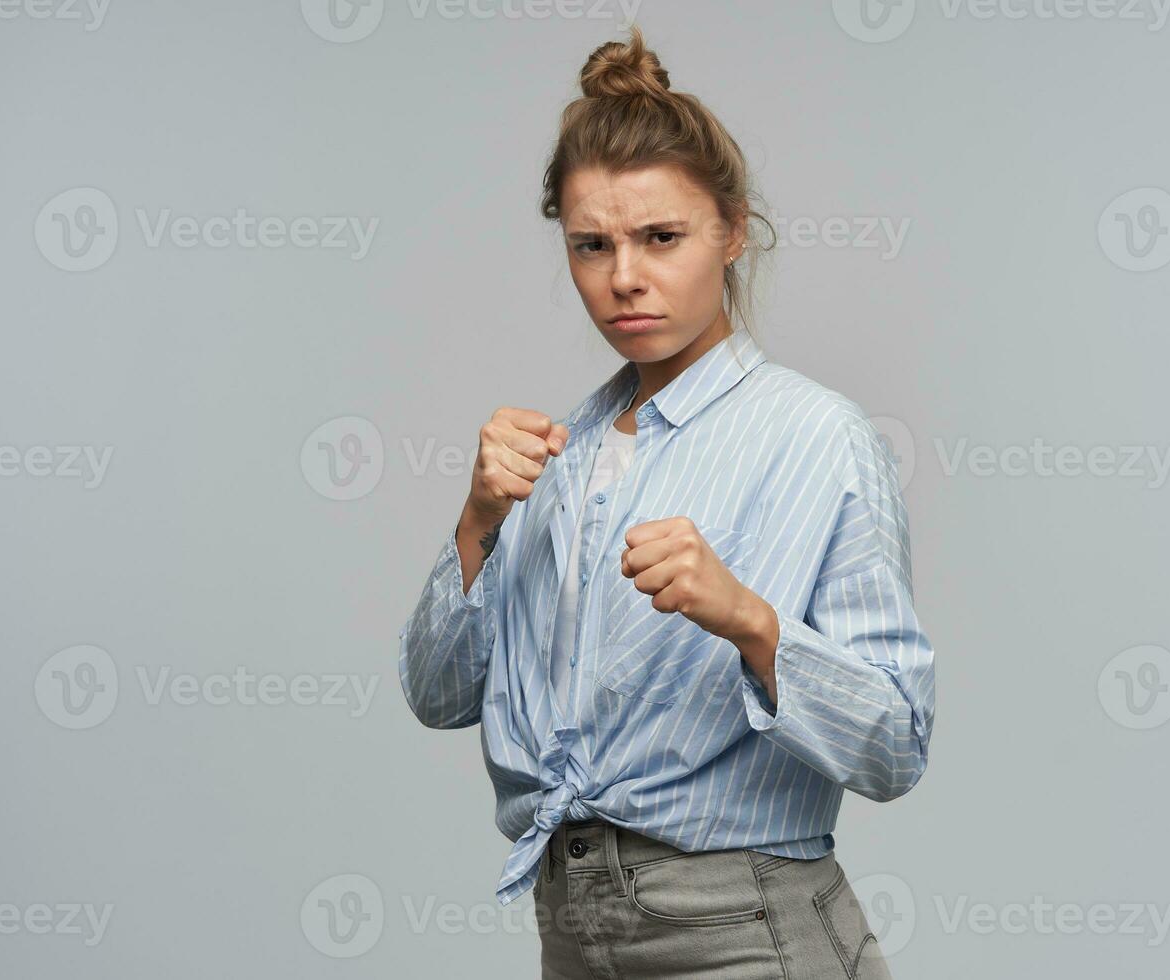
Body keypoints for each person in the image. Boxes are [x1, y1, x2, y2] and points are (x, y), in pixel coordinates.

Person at [398, 25, 934, 979]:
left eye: (661, 237)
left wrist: (754, 624)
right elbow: (437, 697)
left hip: (746, 932)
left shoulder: (817, 438)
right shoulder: (555, 457)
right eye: (591, 245)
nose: (624, 277)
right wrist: (478, 519)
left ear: (732, 230)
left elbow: (895, 745)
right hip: (573, 929)